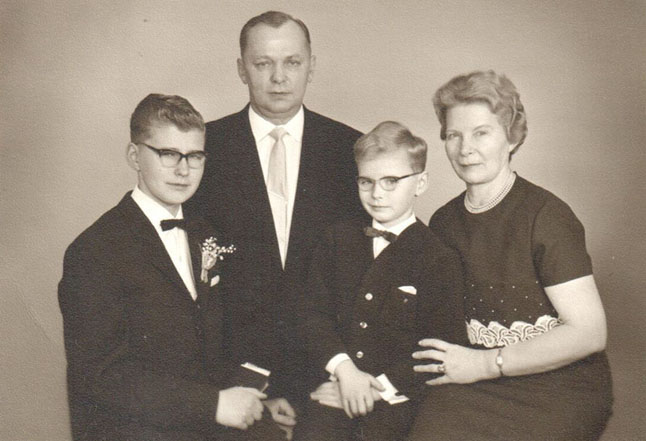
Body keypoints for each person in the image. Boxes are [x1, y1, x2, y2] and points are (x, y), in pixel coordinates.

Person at [58, 94, 291, 441]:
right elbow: (101, 377)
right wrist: (214, 404)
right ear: (135, 156)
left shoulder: (205, 233)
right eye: (168, 154)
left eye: (194, 156)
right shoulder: (94, 251)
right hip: (135, 429)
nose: (184, 171)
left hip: (203, 419)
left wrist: (252, 399)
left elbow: (211, 347)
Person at [409, 70, 613, 441]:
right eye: (454, 135)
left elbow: (589, 332)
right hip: (472, 382)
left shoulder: (547, 216)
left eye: (481, 133)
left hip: (560, 386)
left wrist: (485, 363)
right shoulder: (443, 222)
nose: (465, 149)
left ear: (512, 138)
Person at [185, 10, 364, 410]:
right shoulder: (202, 151)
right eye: (263, 63)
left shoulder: (351, 150)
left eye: (292, 62)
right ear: (241, 69)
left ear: (311, 67)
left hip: (332, 379)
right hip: (233, 379)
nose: (279, 78)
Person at [294, 122, 467, 441]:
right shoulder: (336, 240)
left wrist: (375, 389)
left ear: (420, 182)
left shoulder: (438, 257)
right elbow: (313, 315)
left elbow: (439, 347)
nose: (376, 194)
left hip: (398, 402)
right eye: (366, 182)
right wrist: (345, 372)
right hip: (336, 386)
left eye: (391, 181)